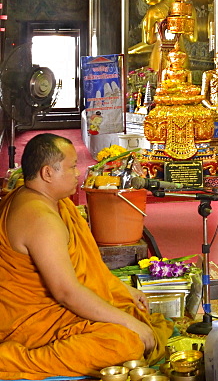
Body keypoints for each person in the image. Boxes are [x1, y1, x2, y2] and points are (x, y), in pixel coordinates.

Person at [0, 134, 172, 378]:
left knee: (130, 310)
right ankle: (14, 360)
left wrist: (122, 290)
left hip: (53, 309)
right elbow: (67, 293)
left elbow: (85, 269)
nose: (78, 173)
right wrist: (129, 324)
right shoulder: (40, 219)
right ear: (47, 173)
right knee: (128, 342)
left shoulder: (51, 202)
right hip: (30, 323)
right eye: (71, 167)